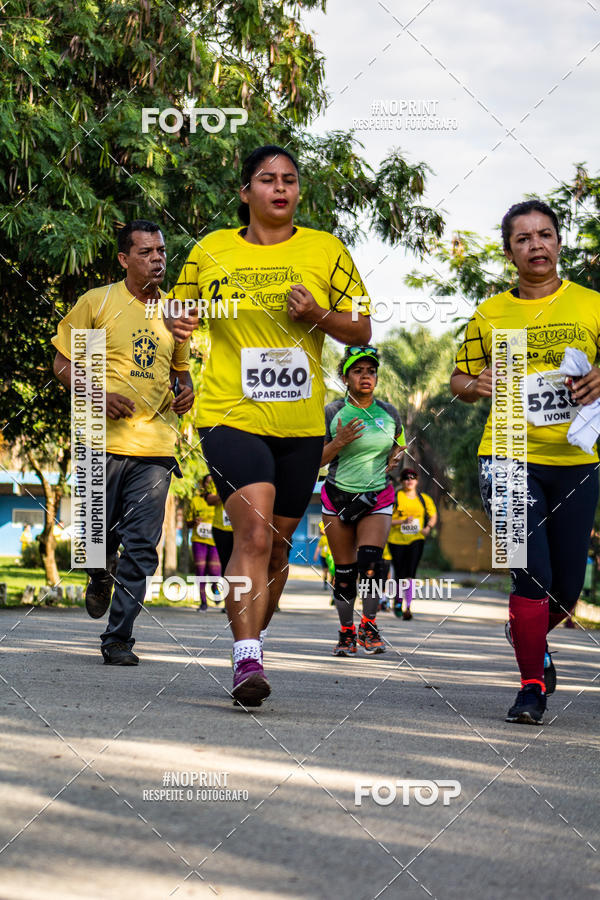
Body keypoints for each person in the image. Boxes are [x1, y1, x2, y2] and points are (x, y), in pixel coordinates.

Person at [166, 145, 371, 705]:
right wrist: (180, 324)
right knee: (253, 533)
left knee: (277, 550)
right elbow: (176, 314)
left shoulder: (327, 250)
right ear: (245, 192)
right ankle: (246, 657)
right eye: (267, 179)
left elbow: (361, 330)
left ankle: (252, 636)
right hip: (229, 413)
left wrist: (317, 315)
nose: (280, 188)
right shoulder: (210, 250)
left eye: (289, 179)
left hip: (300, 422)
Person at [451, 198, 600, 724]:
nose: (536, 245)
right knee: (530, 573)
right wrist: (476, 383)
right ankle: (531, 687)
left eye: (545, 235)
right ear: (509, 252)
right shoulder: (490, 312)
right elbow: (458, 380)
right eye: (523, 238)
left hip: (577, 458)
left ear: (559, 242)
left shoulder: (591, 304)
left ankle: (527, 631)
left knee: (567, 589)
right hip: (507, 454)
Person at [52, 220, 194, 665]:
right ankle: (98, 572)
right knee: (96, 543)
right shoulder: (98, 303)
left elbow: (180, 370)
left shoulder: (174, 311)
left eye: (161, 251)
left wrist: (186, 391)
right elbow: (63, 364)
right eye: (146, 252)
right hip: (100, 442)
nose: (157, 259)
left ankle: (118, 638)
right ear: (124, 259)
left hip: (155, 448)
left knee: (141, 547)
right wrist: (98, 396)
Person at [321, 346, 405, 656]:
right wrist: (339, 442)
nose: (366, 376)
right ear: (345, 378)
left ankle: (368, 626)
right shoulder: (332, 412)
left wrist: (396, 456)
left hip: (377, 496)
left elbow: (399, 445)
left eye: (371, 371)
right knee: (345, 574)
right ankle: (346, 632)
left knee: (371, 566)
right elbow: (315, 460)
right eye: (358, 371)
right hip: (338, 496)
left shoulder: (389, 412)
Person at [388, 468, 437, 619]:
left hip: (416, 539)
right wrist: (402, 521)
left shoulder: (424, 499)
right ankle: (398, 602)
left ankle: (408, 607)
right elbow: (386, 519)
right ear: (401, 481)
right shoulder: (395, 497)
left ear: (417, 480)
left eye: (413, 477)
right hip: (396, 540)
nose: (409, 480)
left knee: (411, 573)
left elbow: (433, 515)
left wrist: (428, 527)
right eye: (406, 478)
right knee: (399, 573)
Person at [188, 475, 221, 610]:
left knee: (214, 571)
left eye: (213, 482)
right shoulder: (195, 501)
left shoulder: (219, 501)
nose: (210, 485)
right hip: (199, 540)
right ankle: (203, 603)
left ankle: (215, 587)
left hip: (215, 540)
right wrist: (194, 522)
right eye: (207, 482)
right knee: (200, 571)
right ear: (203, 484)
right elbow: (187, 523)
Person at [313, 521, 334, 590]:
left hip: (331, 557)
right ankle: (325, 584)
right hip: (323, 556)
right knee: (325, 571)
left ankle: (331, 582)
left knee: (332, 571)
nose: (321, 531)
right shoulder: (322, 538)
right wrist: (315, 555)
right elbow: (318, 547)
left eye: (322, 529)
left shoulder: (332, 537)